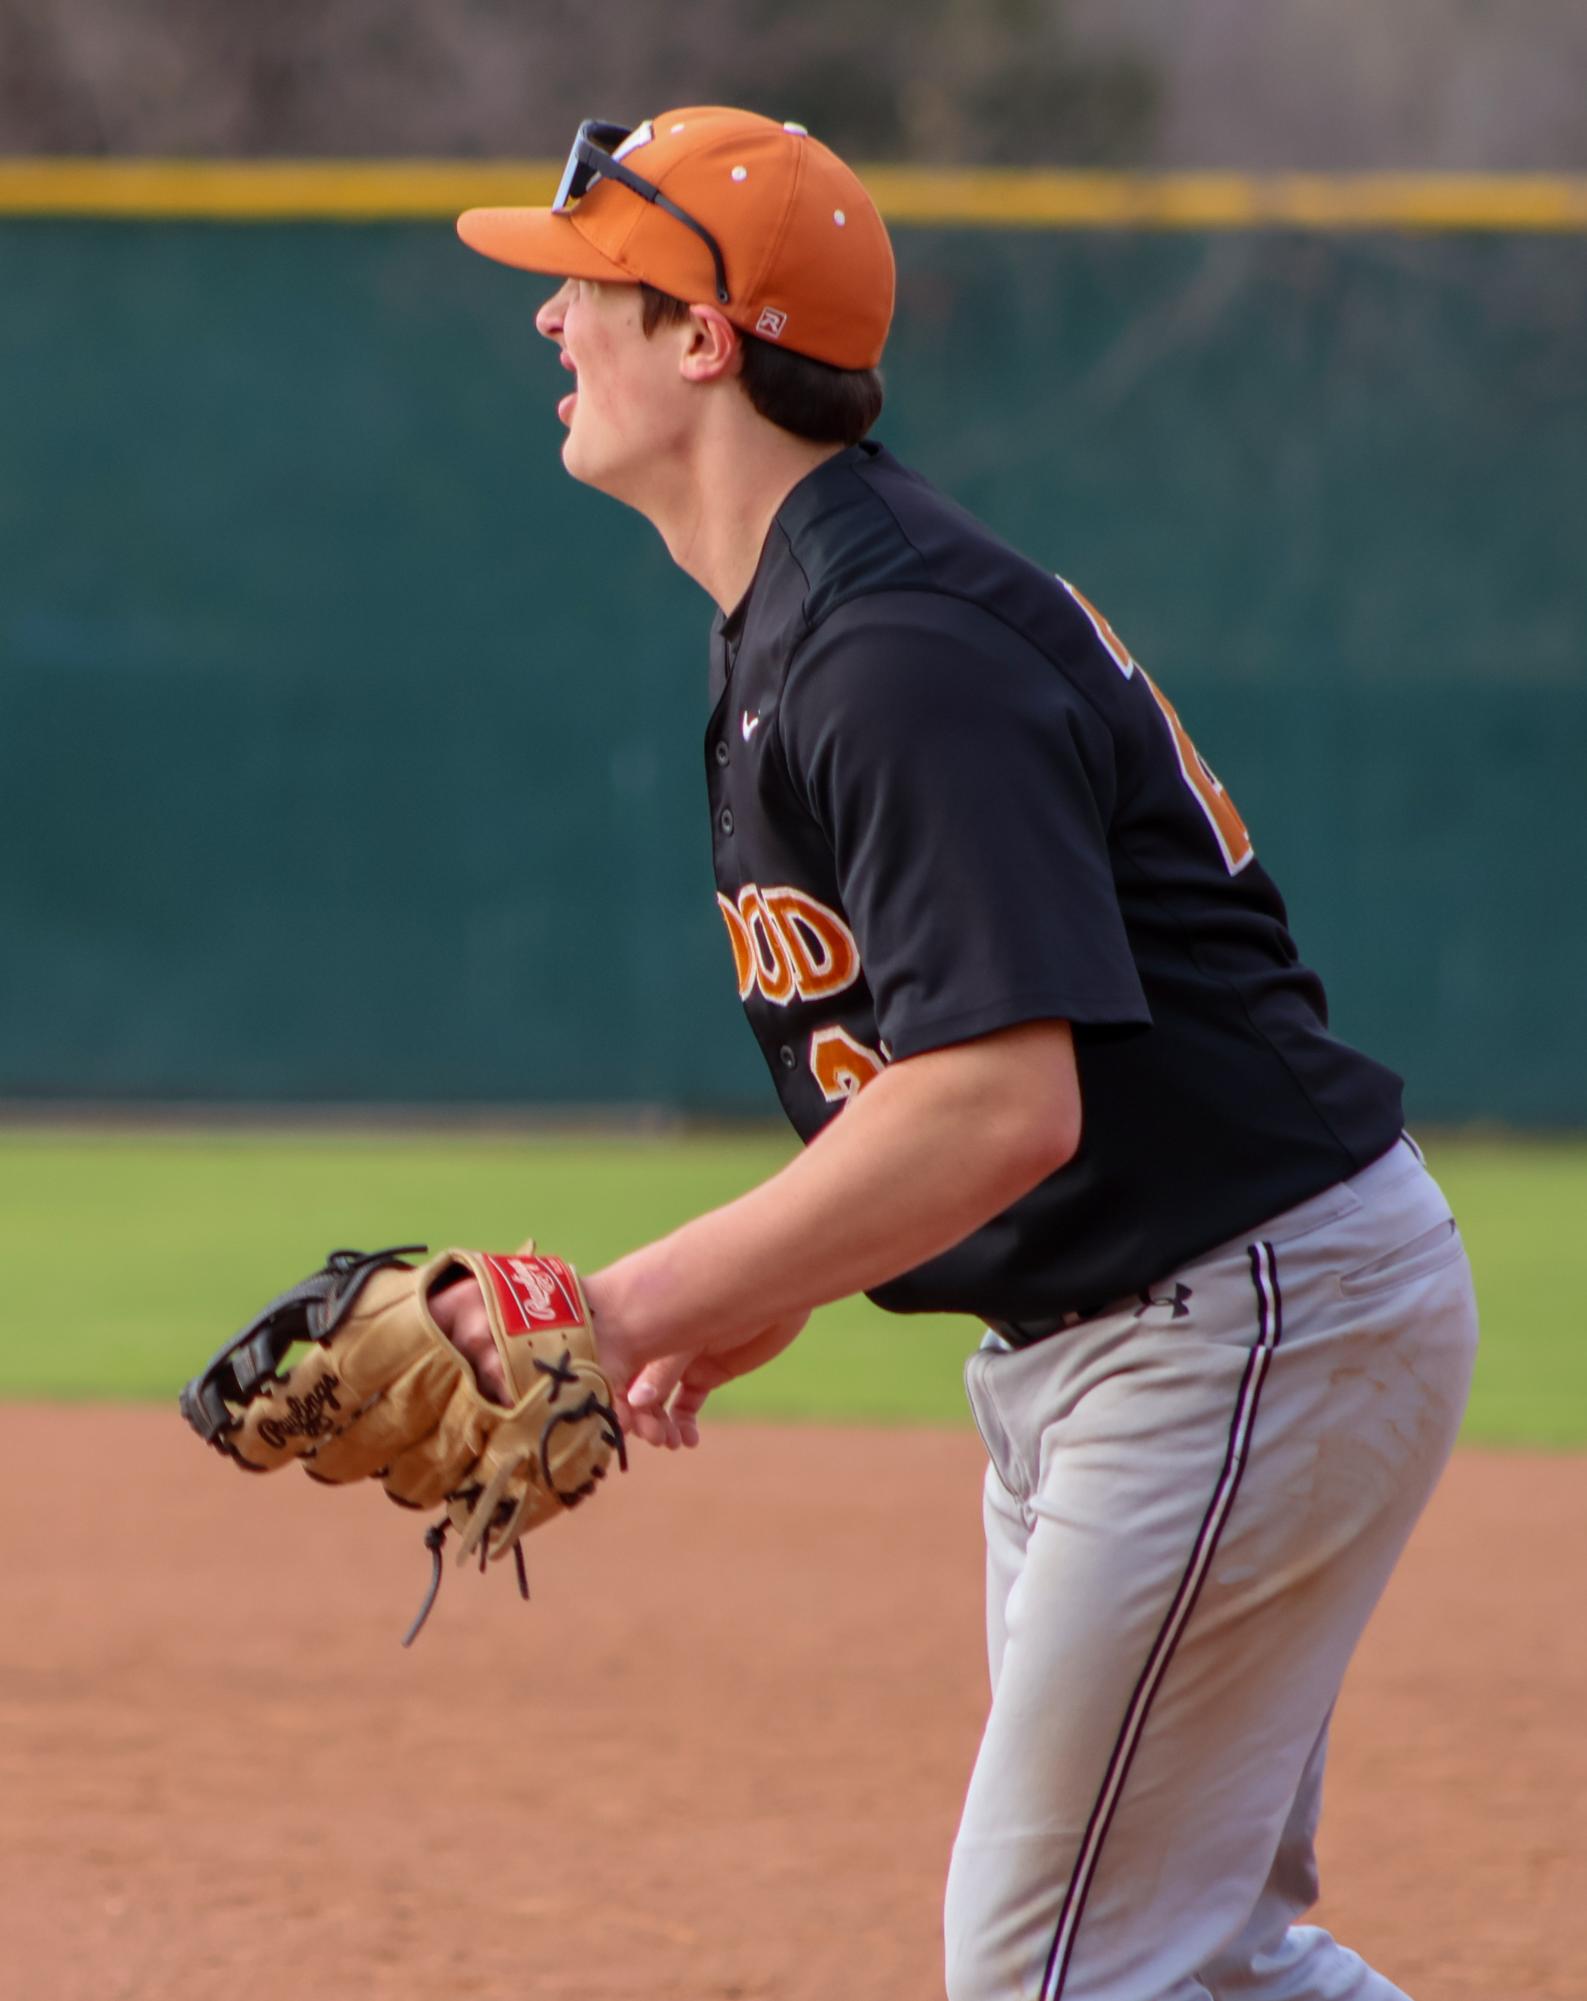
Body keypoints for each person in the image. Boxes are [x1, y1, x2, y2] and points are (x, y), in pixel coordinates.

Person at [436, 106, 1479, 2001]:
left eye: (590, 281)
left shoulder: (890, 644)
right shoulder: (809, 612)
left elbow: (1002, 1100)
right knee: (1188, 1959)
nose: (548, 318)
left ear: (707, 337)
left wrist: (618, 1301)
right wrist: (773, 1284)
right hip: (1169, 1312)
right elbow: (937, 1067)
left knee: (1056, 1968)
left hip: (1235, 1308)